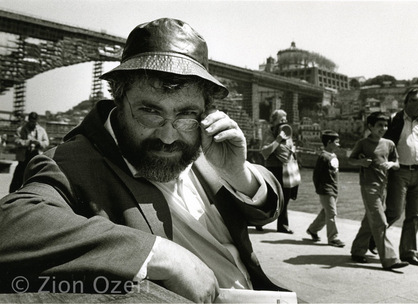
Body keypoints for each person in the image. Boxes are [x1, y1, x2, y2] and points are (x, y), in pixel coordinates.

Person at [0, 18, 288, 303]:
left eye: (186, 114)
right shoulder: (72, 163)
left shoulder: (207, 148)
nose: (167, 136)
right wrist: (156, 254)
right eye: (150, 111)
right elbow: (12, 225)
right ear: (118, 98)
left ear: (205, 111)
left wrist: (239, 174)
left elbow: (268, 210)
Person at [383, 88, 418, 267]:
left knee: (415, 215)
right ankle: (373, 237)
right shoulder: (393, 121)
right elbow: (382, 146)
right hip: (399, 172)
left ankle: (408, 253)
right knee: (394, 212)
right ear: (407, 102)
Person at [348, 112, 409, 270]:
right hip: (368, 186)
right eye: (380, 125)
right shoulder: (363, 143)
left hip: (383, 187)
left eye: (386, 125)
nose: (384, 128)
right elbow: (351, 159)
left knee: (369, 221)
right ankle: (390, 259)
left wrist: (391, 164)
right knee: (380, 221)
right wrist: (361, 162)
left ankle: (357, 251)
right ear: (370, 126)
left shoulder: (389, 144)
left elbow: (397, 163)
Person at [259, 109, 301, 234]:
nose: (285, 121)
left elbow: (288, 148)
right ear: (274, 121)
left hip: (287, 168)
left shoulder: (286, 131)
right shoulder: (270, 132)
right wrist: (278, 139)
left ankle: (282, 225)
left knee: (286, 197)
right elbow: (265, 151)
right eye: (282, 119)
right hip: (274, 168)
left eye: (286, 119)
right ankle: (259, 220)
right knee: (272, 196)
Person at [306, 130, 345, 247]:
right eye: (336, 142)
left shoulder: (333, 156)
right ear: (329, 142)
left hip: (334, 189)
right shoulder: (323, 157)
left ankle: (312, 230)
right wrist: (319, 188)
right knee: (332, 213)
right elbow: (316, 175)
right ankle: (333, 238)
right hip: (326, 190)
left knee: (325, 213)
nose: (338, 144)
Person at [9, 112, 49, 193]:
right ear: (29, 120)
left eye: (35, 122)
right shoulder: (21, 129)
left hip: (36, 158)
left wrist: (39, 143)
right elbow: (16, 141)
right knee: (17, 180)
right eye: (31, 122)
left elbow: (46, 142)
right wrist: (28, 142)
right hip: (24, 158)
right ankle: (11, 196)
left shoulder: (41, 130)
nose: (33, 124)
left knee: (34, 181)